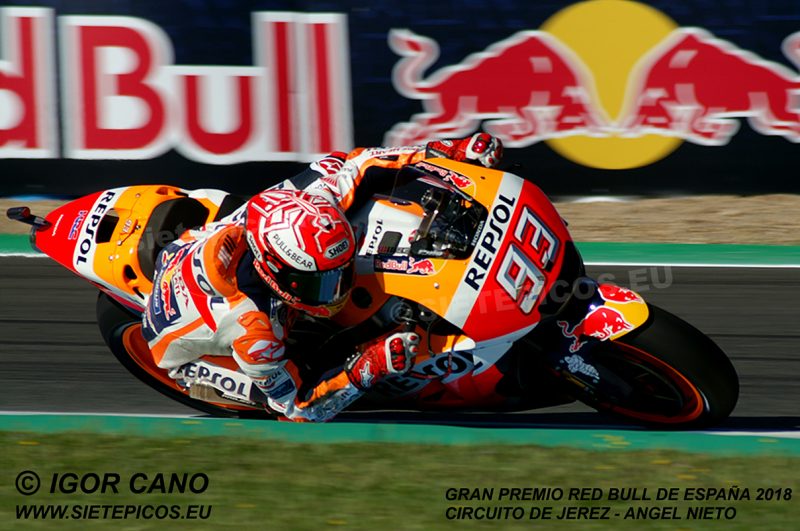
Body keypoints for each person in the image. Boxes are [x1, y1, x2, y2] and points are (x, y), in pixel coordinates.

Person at [141, 133, 503, 422]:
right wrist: (369, 367)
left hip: (201, 245)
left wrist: (445, 151)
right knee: (292, 379)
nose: (338, 290)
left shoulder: (310, 198)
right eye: (322, 283)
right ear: (275, 272)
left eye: (339, 273)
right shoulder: (253, 329)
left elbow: (362, 161)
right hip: (188, 347)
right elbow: (298, 409)